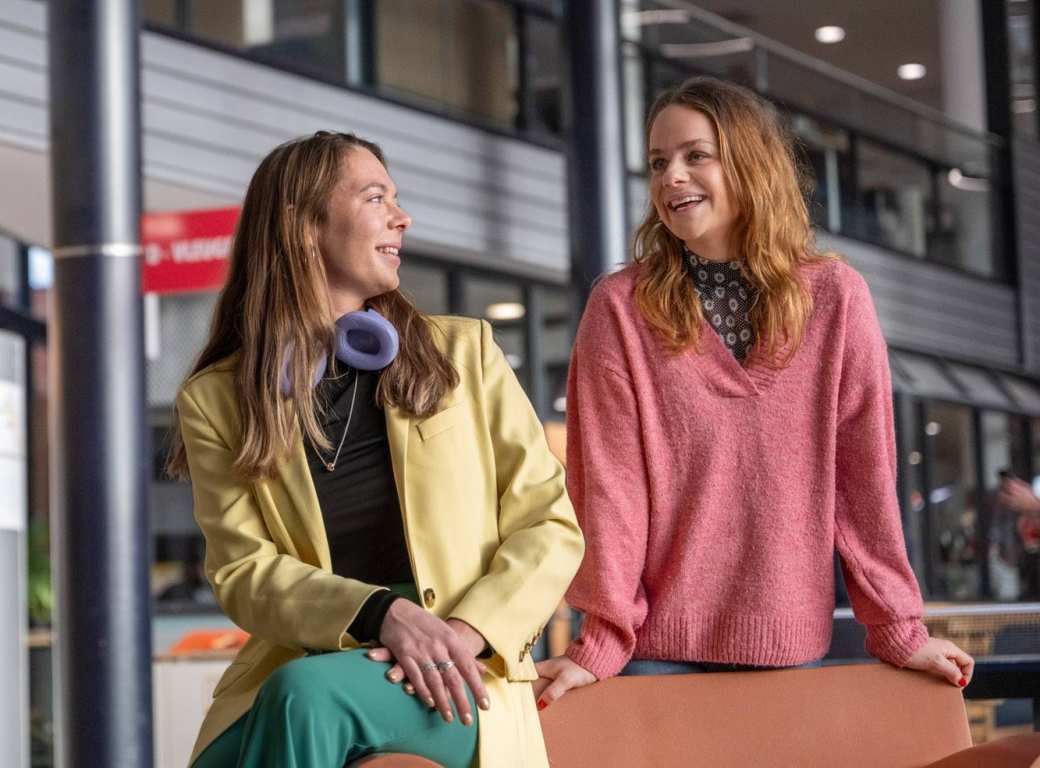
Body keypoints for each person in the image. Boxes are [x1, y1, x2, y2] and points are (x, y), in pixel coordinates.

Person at [534, 77, 973, 707]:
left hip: (788, 651)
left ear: (749, 162)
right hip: (655, 655)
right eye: (658, 163)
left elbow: (863, 479)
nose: (670, 178)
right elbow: (610, 490)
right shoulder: (621, 309)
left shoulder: (836, 298)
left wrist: (899, 629)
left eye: (695, 156)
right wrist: (600, 641)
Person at [169, 130, 584, 767]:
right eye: (375, 197)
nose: (402, 215)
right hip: (319, 650)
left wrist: (463, 636)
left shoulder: (464, 354)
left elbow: (549, 525)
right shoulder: (217, 398)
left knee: (306, 699)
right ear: (304, 224)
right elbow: (244, 572)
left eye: (396, 198)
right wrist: (377, 612)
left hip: (463, 671)